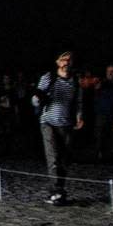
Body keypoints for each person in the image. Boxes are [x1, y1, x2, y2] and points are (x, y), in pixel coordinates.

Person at [32, 52, 84, 205]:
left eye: (69, 59)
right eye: (63, 59)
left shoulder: (75, 80)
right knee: (53, 157)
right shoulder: (48, 77)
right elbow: (35, 99)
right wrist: (39, 98)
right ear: (57, 61)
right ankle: (56, 192)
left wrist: (79, 117)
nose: (66, 62)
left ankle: (58, 189)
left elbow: (79, 101)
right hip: (48, 121)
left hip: (66, 123)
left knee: (64, 160)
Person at [94, 64, 113, 162]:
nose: (111, 73)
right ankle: (98, 156)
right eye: (109, 71)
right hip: (102, 114)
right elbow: (95, 92)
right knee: (100, 135)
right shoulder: (102, 83)